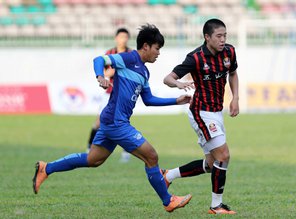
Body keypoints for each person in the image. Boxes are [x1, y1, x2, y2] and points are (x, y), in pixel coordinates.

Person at [33, 24, 192, 213]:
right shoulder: (129, 58)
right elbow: (99, 59)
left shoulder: (144, 71)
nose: (158, 53)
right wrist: (100, 76)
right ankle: (168, 201)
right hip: (116, 122)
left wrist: (176, 100)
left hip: (112, 121)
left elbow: (148, 100)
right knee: (151, 156)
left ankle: (46, 168)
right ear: (146, 46)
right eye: (157, 48)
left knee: (93, 160)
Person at [163, 18, 239, 215]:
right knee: (224, 156)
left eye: (225, 35)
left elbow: (233, 73)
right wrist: (178, 84)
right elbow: (168, 78)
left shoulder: (229, 52)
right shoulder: (195, 58)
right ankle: (216, 206)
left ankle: (168, 175)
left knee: (212, 164)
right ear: (207, 37)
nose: (223, 40)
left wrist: (235, 98)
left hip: (216, 112)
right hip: (201, 112)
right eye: (218, 36)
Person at [87, 27, 132, 163]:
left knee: (122, 122)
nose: (123, 39)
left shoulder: (131, 54)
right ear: (116, 38)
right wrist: (110, 73)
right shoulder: (110, 53)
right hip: (109, 93)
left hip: (123, 94)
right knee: (99, 122)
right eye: (121, 37)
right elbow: (105, 72)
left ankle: (126, 153)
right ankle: (90, 147)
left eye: (125, 37)